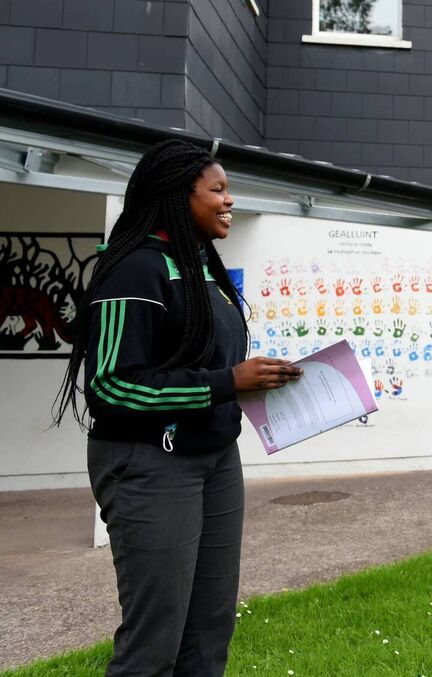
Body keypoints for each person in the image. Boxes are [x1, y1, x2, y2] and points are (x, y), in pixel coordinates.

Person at [52, 139, 302, 676]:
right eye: (218, 190)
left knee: (210, 628)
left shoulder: (202, 269)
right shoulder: (134, 271)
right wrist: (225, 382)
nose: (229, 200)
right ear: (176, 195)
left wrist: (255, 379)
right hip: (150, 464)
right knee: (155, 640)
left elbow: (205, 367)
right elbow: (111, 387)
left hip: (216, 459)